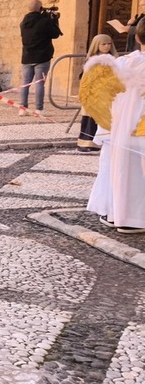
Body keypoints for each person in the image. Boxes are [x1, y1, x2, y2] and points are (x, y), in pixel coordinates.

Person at [83, 24, 145, 232]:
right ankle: (132, 219)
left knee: (118, 171)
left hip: (120, 128)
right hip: (139, 127)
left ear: (137, 38)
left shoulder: (121, 62)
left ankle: (115, 213)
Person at [18, 0, 62, 116]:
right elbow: (55, 34)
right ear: (40, 8)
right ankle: (39, 109)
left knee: (25, 83)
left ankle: (22, 108)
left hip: (27, 57)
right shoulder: (44, 21)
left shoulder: (23, 23)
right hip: (42, 57)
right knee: (39, 83)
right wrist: (54, 20)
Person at [77, 34, 114, 152]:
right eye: (103, 44)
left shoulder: (113, 58)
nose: (107, 46)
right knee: (90, 119)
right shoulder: (92, 60)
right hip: (94, 93)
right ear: (97, 45)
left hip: (107, 94)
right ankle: (86, 143)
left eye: (109, 44)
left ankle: (101, 142)